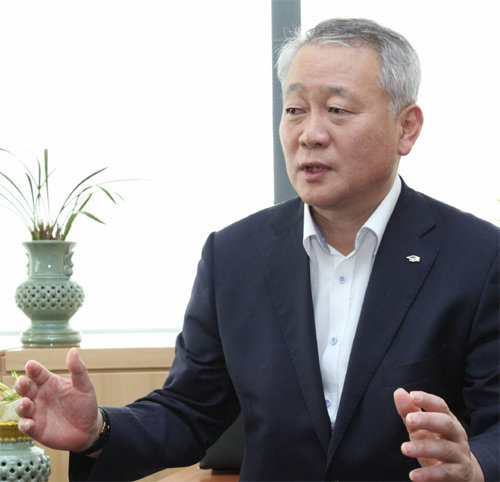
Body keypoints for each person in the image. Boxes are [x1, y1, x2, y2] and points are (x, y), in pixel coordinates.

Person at [14, 18, 498, 482]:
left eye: (337, 110)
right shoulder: (234, 256)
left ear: (406, 128)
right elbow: (190, 410)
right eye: (295, 110)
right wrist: (98, 431)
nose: (310, 134)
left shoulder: (478, 258)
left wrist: (474, 467)